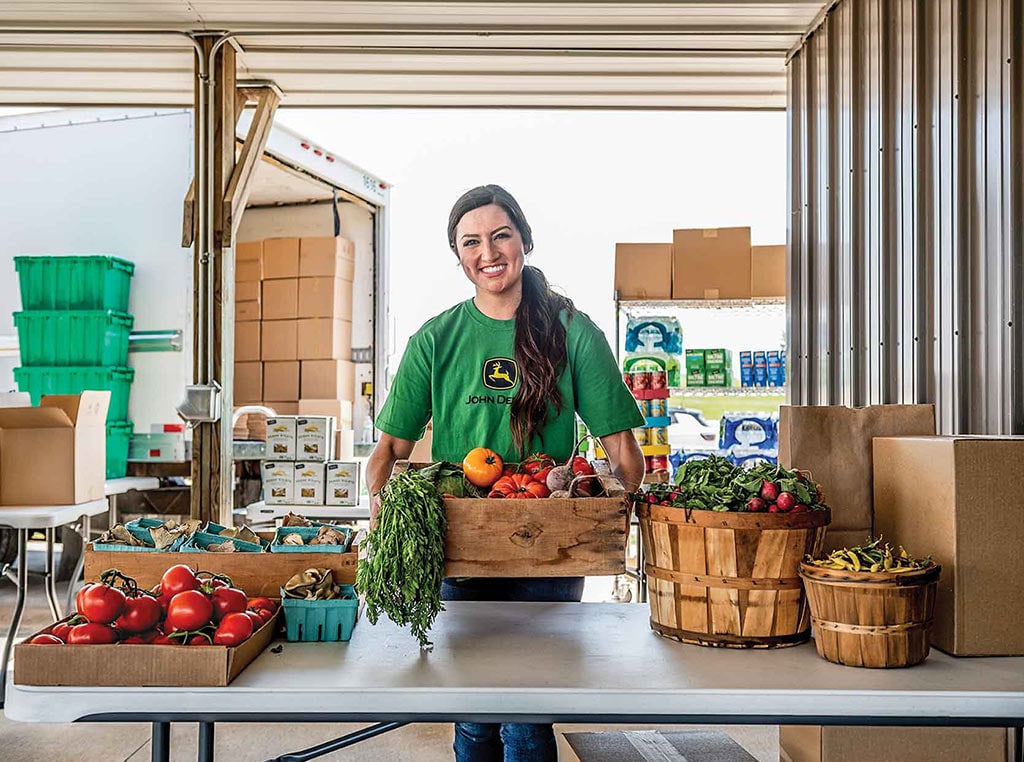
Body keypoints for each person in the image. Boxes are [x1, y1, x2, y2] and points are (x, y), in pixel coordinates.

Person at [366, 184, 645, 762]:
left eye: (500, 235)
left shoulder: (572, 331)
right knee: (471, 713)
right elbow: (390, 447)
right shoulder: (436, 339)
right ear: (458, 255)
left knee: (528, 716)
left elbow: (622, 449)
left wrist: (608, 512)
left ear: (524, 241)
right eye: (471, 241)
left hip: (549, 547)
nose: (487, 252)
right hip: (461, 541)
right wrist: (381, 508)